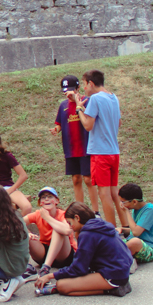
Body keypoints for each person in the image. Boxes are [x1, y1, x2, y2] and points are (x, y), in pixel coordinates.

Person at [34, 202, 132, 297]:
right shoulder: (99, 224)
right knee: (69, 281)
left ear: (77, 218)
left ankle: (111, 290)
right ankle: (112, 285)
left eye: (70, 222)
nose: (70, 226)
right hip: (122, 271)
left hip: (113, 275)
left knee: (62, 286)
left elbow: (78, 269)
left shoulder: (87, 234)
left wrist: (49, 276)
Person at [71, 69, 124, 225]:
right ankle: (126, 226)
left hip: (100, 153)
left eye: (84, 85)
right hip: (114, 152)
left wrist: (79, 108)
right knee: (114, 192)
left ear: (91, 83)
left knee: (104, 193)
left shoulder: (95, 99)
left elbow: (87, 125)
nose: (84, 89)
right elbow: (119, 122)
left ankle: (111, 229)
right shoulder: (113, 97)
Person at [51, 76, 95, 213]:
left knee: (88, 179)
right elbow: (59, 123)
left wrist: (77, 102)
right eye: (65, 91)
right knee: (76, 179)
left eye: (71, 90)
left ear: (78, 89)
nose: (68, 94)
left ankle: (95, 211)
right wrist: (56, 129)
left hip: (86, 147)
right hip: (71, 148)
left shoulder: (86, 102)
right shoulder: (63, 105)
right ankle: (80, 210)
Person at [22, 187, 77, 281]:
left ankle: (46, 268)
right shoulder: (37, 214)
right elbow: (17, 223)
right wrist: (27, 233)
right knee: (26, 235)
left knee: (58, 230)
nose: (46, 199)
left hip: (64, 256)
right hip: (44, 253)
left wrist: (47, 217)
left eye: (50, 196)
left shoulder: (63, 214)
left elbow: (67, 231)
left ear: (57, 201)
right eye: (43, 197)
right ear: (40, 203)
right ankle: (28, 268)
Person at [119, 183, 153, 265]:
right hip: (133, 240)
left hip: (149, 249)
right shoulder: (135, 209)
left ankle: (112, 258)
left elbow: (136, 232)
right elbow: (135, 229)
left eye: (123, 202)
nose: (121, 205)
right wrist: (122, 230)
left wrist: (126, 212)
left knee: (134, 242)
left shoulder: (149, 210)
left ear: (134, 201)